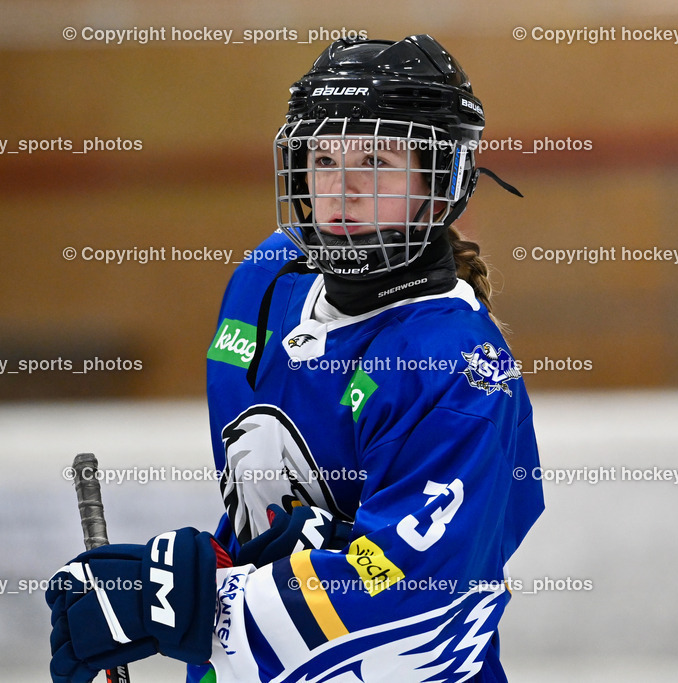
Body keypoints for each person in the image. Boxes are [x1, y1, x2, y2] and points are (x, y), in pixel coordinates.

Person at [46, 34, 544, 683]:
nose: (341, 189)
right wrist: (196, 570)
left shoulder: (460, 370)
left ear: (443, 177)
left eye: (376, 159)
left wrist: (179, 603)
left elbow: (408, 592)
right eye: (323, 156)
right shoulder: (267, 279)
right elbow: (266, 520)